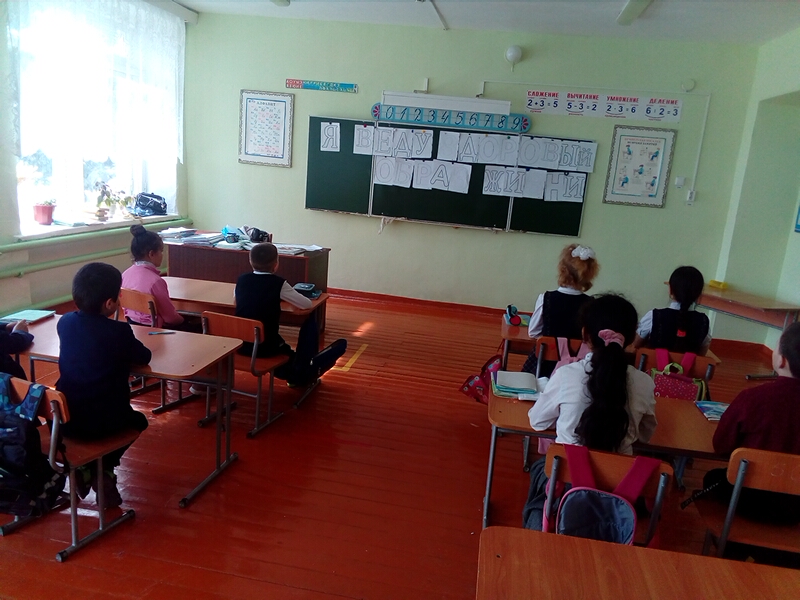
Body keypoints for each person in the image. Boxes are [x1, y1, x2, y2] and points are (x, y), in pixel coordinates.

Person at [522, 294, 657, 530]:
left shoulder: (566, 375)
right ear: (631, 338)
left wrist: (566, 419)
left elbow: (537, 421)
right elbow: (645, 436)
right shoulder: (644, 383)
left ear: (585, 335)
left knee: (539, 468)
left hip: (567, 480)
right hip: (619, 487)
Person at [56, 262, 152, 507]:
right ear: (110, 303)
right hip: (106, 422)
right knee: (139, 421)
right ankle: (104, 470)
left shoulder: (65, 323)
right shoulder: (119, 332)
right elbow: (144, 357)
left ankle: (87, 470)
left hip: (66, 421)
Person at [704, 322, 800, 524]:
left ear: (781, 360)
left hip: (749, 498)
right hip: (796, 506)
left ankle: (728, 537)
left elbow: (721, 445)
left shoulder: (753, 398)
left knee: (712, 479)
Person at [235, 242, 314, 382]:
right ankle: (299, 378)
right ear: (276, 264)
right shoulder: (279, 284)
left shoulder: (242, 279)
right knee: (292, 357)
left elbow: (236, 299)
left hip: (240, 345)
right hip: (266, 348)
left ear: (250, 261)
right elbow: (306, 304)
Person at [522, 243, 600, 377]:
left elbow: (533, 332)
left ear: (562, 270)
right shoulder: (593, 305)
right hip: (577, 370)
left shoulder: (546, 299)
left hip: (545, 369)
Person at [121, 224, 197, 330]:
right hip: (156, 330)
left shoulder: (124, 275)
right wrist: (184, 320)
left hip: (133, 326)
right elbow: (171, 318)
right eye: (161, 251)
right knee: (196, 326)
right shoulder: (155, 282)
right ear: (151, 254)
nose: (162, 254)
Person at [634, 265, 710, 354]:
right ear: (699, 294)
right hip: (688, 364)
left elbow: (635, 345)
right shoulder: (704, 321)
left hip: (655, 363)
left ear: (670, 290)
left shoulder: (653, 316)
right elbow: (701, 355)